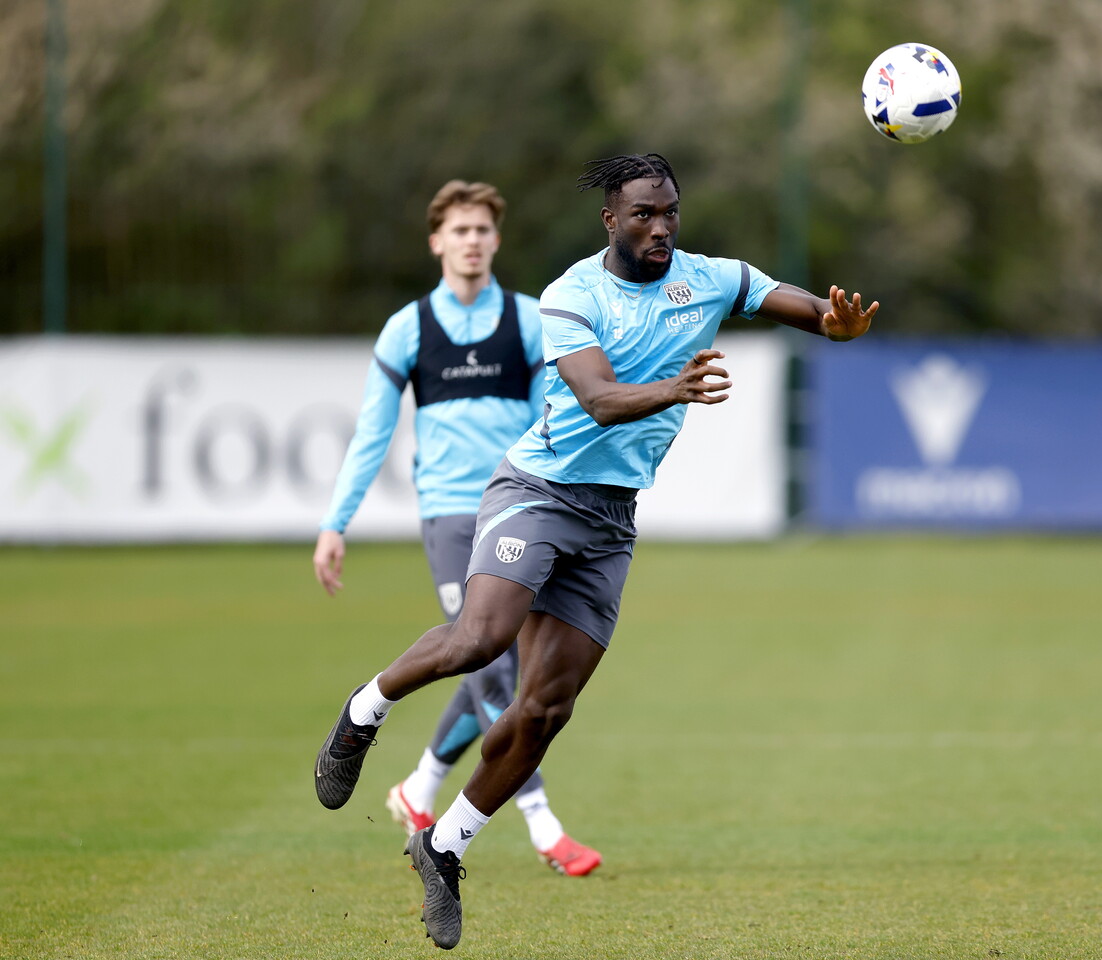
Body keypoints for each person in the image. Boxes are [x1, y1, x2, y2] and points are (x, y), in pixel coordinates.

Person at [312, 154, 878, 950]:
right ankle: (361, 715)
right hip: (538, 492)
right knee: (481, 639)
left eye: (671, 213)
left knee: (545, 709)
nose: (660, 228)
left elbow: (804, 306)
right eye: (644, 214)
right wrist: (677, 390)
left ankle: (444, 848)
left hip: (610, 521)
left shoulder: (709, 277)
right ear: (610, 219)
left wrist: (836, 323)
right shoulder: (572, 294)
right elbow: (601, 401)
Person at [312, 178, 602, 878]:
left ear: (496, 241)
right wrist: (334, 523)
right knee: (487, 661)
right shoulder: (408, 329)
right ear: (438, 241)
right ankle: (543, 825)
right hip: (448, 515)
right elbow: (372, 434)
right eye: (460, 230)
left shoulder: (534, 321)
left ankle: (418, 791)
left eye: (482, 230)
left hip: (524, 510)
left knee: (503, 663)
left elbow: (558, 420)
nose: (472, 241)